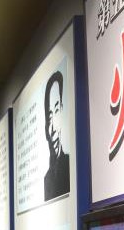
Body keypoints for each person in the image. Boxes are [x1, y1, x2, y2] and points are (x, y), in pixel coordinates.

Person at [43, 70, 70, 201]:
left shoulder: (70, 167)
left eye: (57, 110)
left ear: (62, 110)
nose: (53, 128)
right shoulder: (47, 179)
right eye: (49, 117)